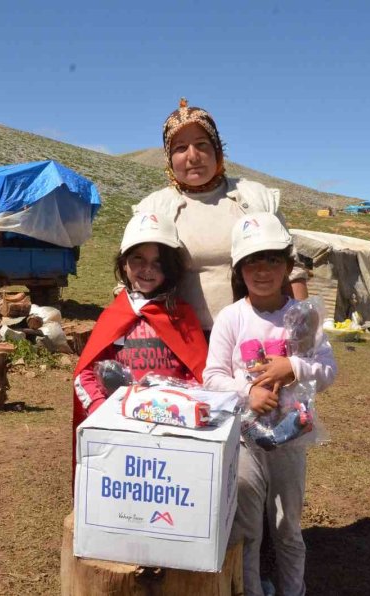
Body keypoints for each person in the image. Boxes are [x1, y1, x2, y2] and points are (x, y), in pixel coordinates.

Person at [203, 212, 336, 596]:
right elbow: (211, 377)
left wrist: (292, 367)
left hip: (291, 440)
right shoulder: (231, 318)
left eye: (272, 260)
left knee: (287, 526)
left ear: (288, 267)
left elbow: (328, 370)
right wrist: (249, 393)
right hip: (244, 440)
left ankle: (293, 590)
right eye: (252, 262)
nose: (262, 271)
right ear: (239, 270)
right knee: (246, 528)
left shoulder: (302, 318)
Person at [134, 98, 308, 334]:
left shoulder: (256, 198)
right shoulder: (154, 209)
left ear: (217, 149)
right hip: (180, 338)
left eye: (202, 144)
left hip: (256, 334)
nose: (193, 156)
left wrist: (303, 332)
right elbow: (131, 280)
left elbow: (292, 269)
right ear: (168, 157)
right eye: (180, 148)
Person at [71, 212, 208, 480]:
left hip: (172, 429)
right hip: (118, 427)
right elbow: (85, 373)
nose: (148, 269)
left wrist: (177, 412)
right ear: (124, 264)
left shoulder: (181, 315)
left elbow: (199, 374)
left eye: (158, 262)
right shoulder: (113, 315)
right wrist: (102, 411)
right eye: (138, 259)